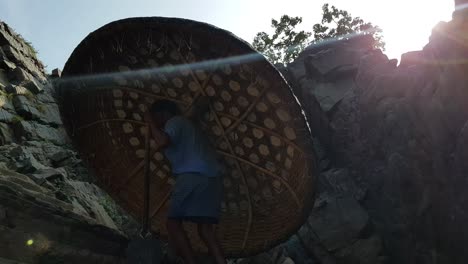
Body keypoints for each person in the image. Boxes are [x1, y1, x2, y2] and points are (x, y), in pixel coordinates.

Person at [144, 99, 226, 264]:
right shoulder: (187, 125)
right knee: (205, 230)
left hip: (192, 177)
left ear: (162, 114)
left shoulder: (174, 122)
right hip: (212, 179)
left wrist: (150, 121)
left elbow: (163, 142)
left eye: (156, 117)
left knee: (172, 223)